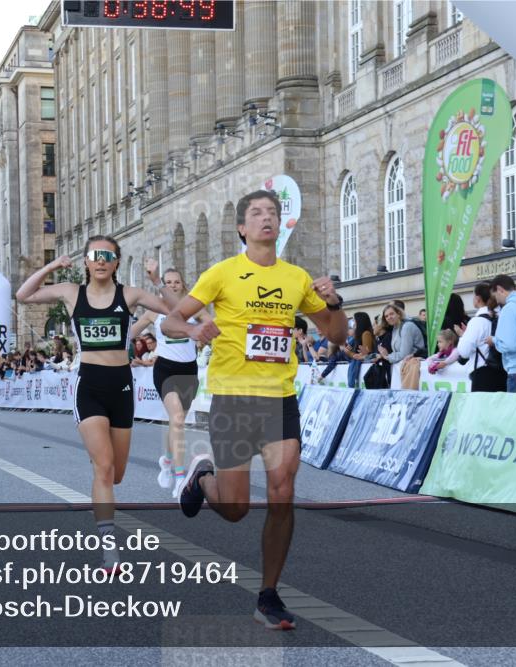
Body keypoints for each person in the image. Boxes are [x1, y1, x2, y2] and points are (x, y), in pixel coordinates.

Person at [161, 190, 347, 630]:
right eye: (256, 213)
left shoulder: (297, 278)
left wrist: (335, 303)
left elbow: (336, 335)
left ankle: (268, 595)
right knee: (236, 508)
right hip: (235, 398)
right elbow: (171, 320)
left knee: (282, 492)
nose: (266, 219)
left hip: (280, 398)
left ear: (280, 225)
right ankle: (202, 479)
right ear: (242, 228)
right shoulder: (222, 273)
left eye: (273, 213)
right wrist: (193, 328)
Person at [16, 235, 171, 572]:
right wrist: (55, 266)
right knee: (102, 467)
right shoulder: (72, 293)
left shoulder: (129, 295)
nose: (100, 261)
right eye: (94, 255)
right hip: (89, 385)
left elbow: (175, 308)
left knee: (116, 473)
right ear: (86, 261)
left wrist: (157, 281)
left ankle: (102, 468)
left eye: (107, 256)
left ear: (116, 262)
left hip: (122, 386)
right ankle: (109, 548)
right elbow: (23, 295)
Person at [132, 259, 212, 498]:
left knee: (176, 422)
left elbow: (211, 326)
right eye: (168, 282)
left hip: (189, 371)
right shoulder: (153, 311)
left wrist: (206, 332)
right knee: (177, 418)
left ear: (183, 285)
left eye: (176, 282)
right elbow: (129, 334)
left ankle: (167, 460)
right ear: (161, 286)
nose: (173, 285)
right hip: (165, 369)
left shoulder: (194, 309)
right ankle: (179, 476)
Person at [486, 274, 516, 392]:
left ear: (500, 290)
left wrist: (494, 340)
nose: (496, 300)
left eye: (495, 296)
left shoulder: (509, 309)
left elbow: (509, 345)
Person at [342, 311, 375, 388]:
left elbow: (365, 355)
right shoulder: (357, 335)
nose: (353, 323)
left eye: (354, 320)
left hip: (364, 367)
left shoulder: (366, 334)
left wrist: (349, 353)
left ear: (359, 321)